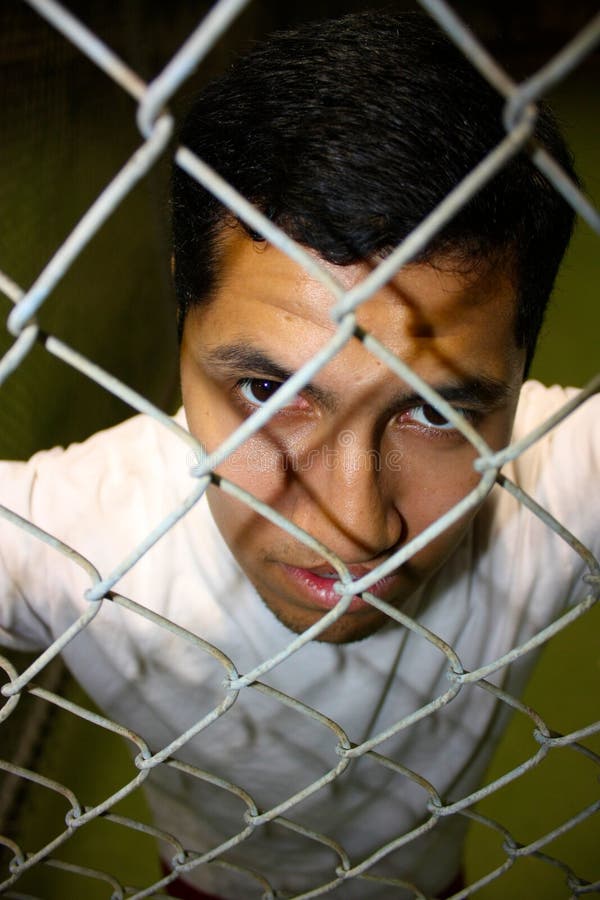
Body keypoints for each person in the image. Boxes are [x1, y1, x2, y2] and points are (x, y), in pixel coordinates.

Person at [1, 10, 598, 900]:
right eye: (268, 391)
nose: (353, 525)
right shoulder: (77, 534)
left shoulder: (556, 481)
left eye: (435, 409)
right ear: (184, 312)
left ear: (524, 365)